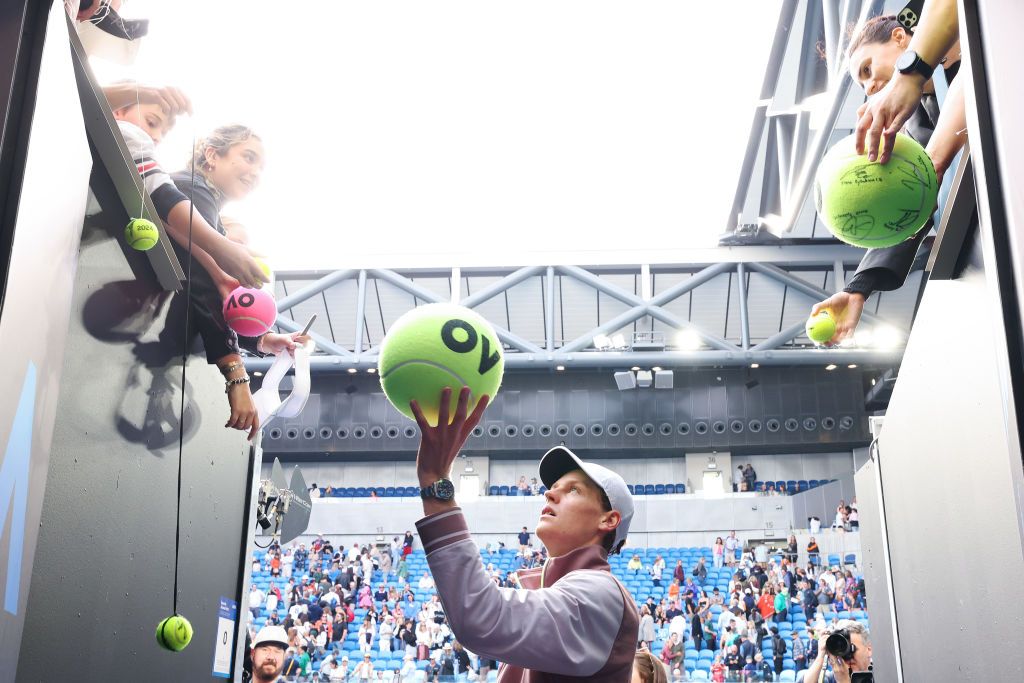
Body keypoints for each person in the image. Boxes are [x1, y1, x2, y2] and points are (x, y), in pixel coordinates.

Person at [411, 386, 639, 680]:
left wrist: (436, 485)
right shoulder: (559, 591)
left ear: (608, 520)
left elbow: (479, 614)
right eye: (552, 488)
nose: (550, 494)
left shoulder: (600, 594)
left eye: (573, 490)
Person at [812, 3, 967, 344]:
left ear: (900, 37)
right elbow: (912, 202)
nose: (868, 86)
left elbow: (974, 81)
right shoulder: (915, 129)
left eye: (866, 69)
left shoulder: (982, 31)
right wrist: (858, 288)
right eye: (861, 83)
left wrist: (909, 74)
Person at [803, 621, 872, 683]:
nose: (847, 655)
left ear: (869, 649)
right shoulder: (832, 677)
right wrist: (820, 656)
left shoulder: (880, 676)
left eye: (851, 649)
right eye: (843, 649)